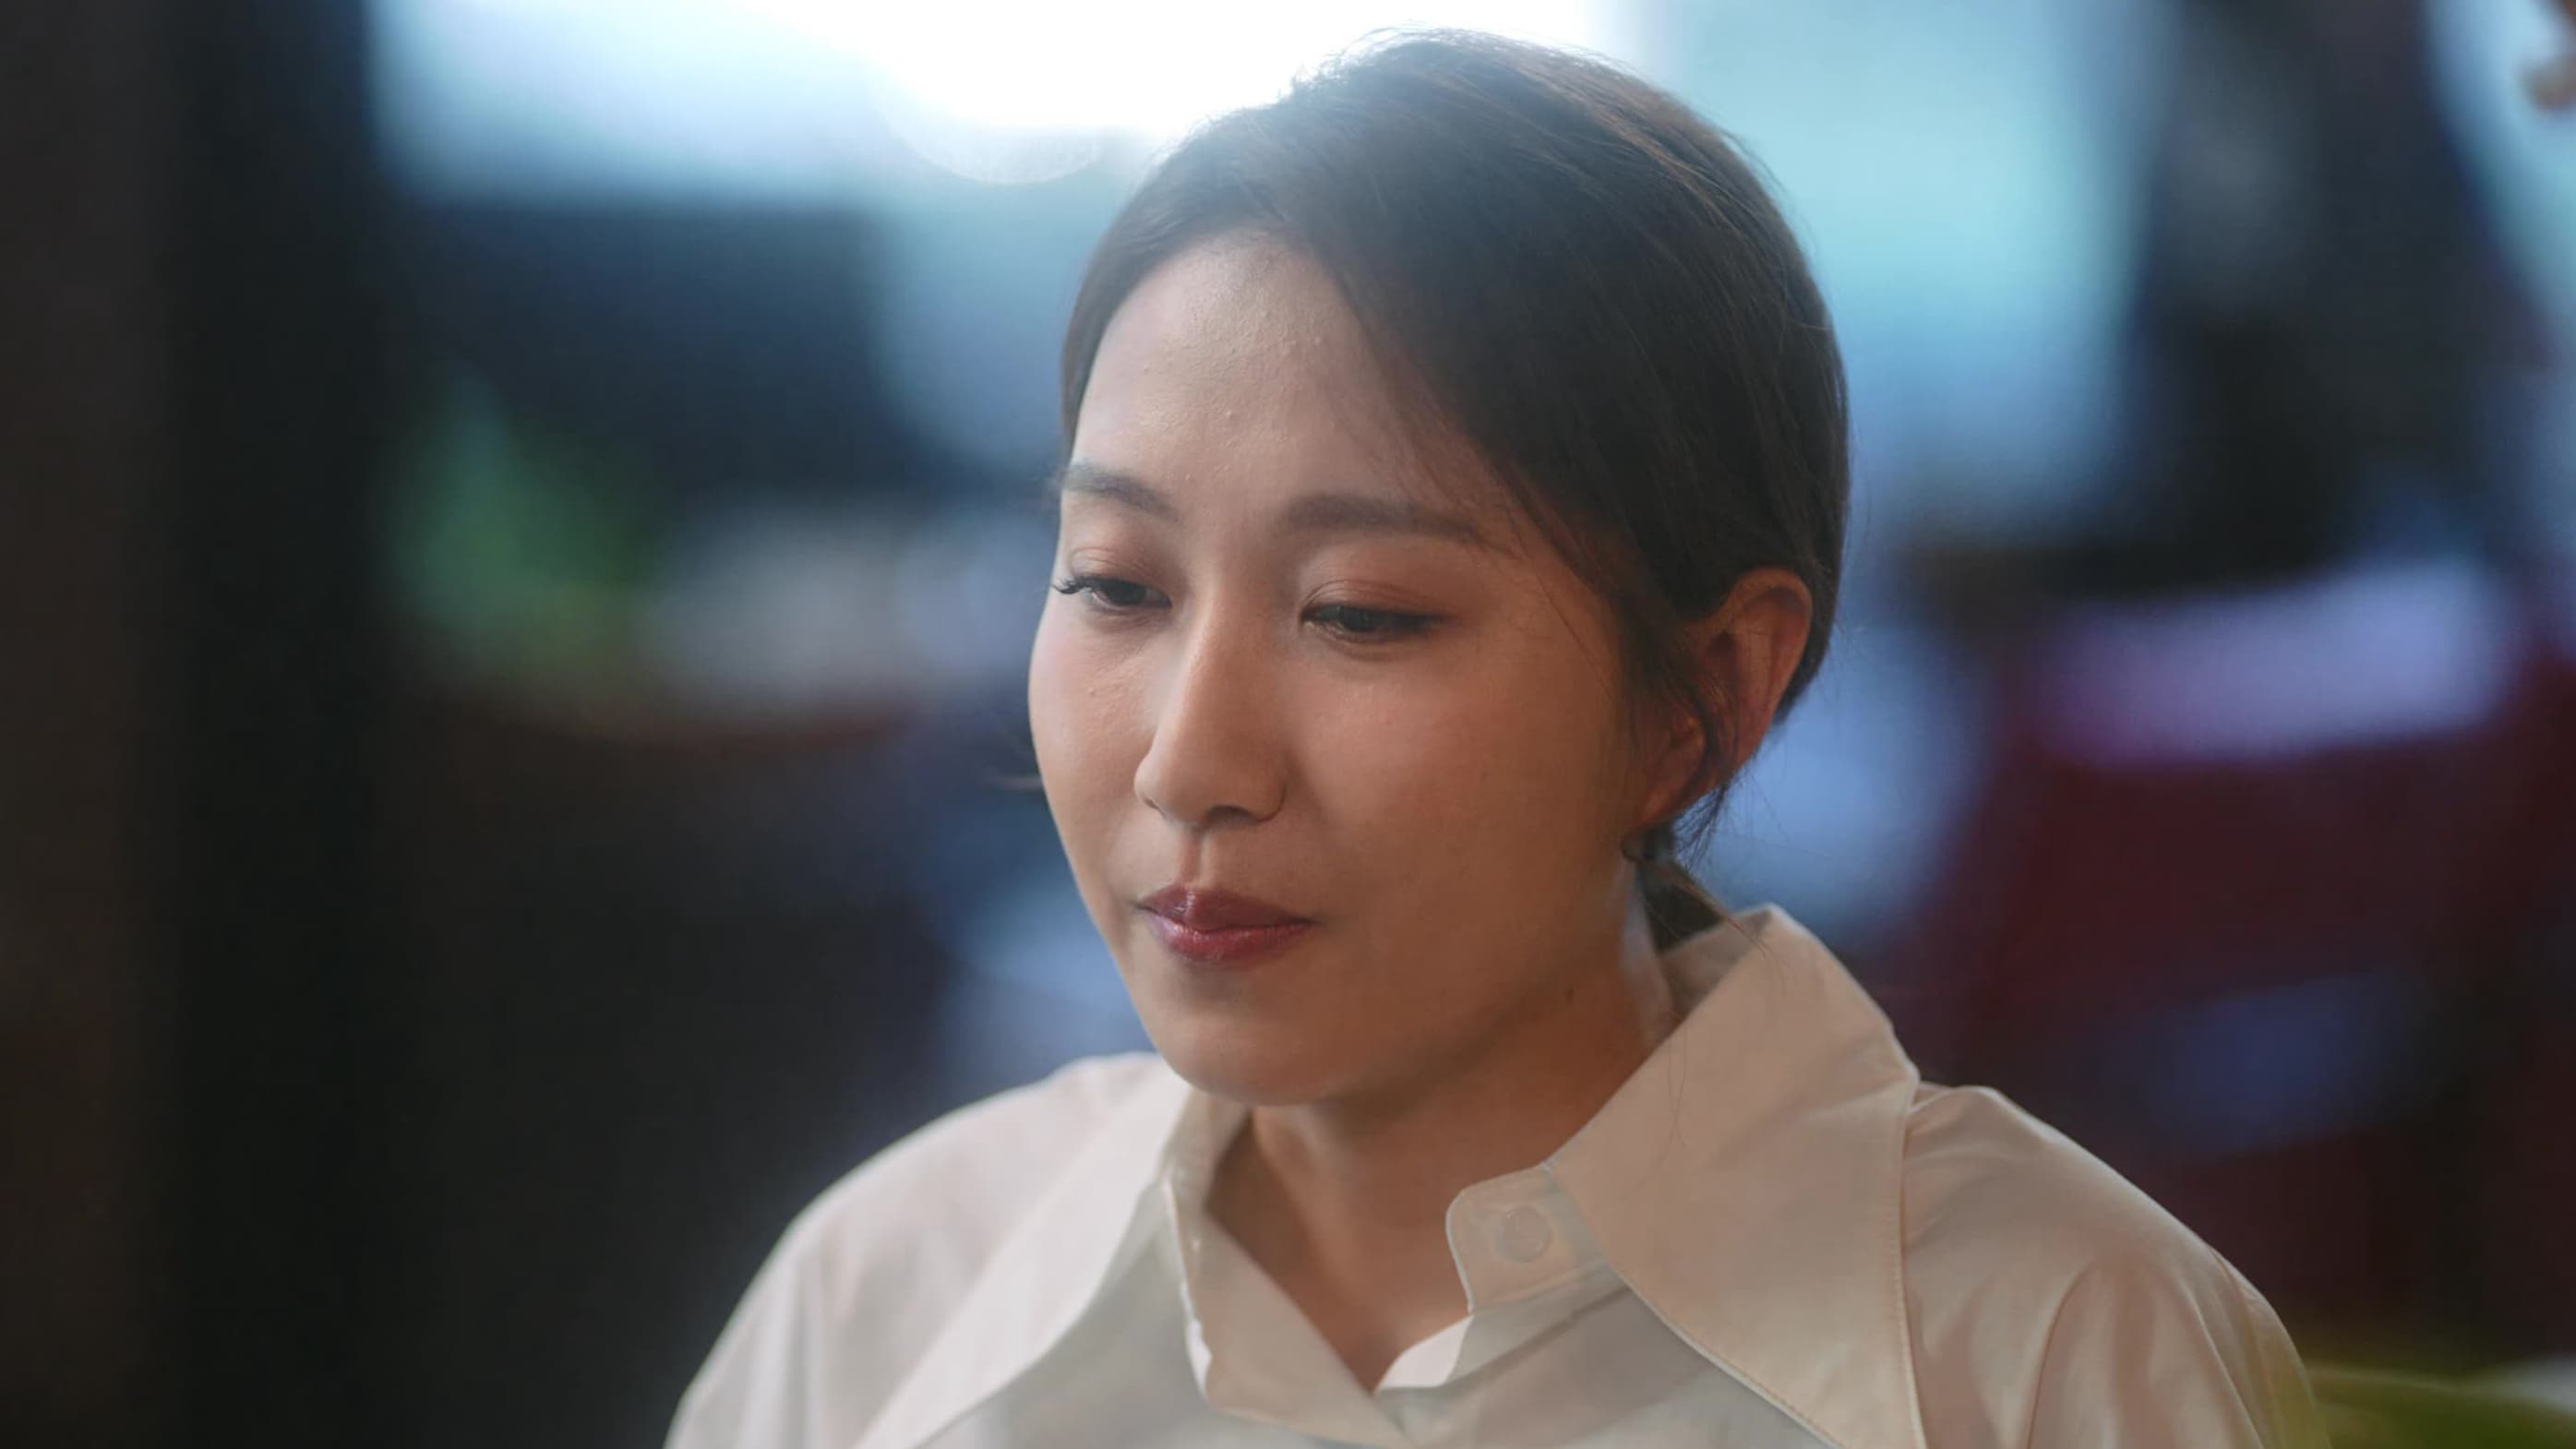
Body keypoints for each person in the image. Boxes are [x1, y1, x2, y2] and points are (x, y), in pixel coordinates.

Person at [666, 31, 2327, 1449]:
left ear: (1702, 697)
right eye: (1115, 582)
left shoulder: (2049, 1353)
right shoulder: (895, 1296)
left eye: (1362, 613)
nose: (1188, 763)